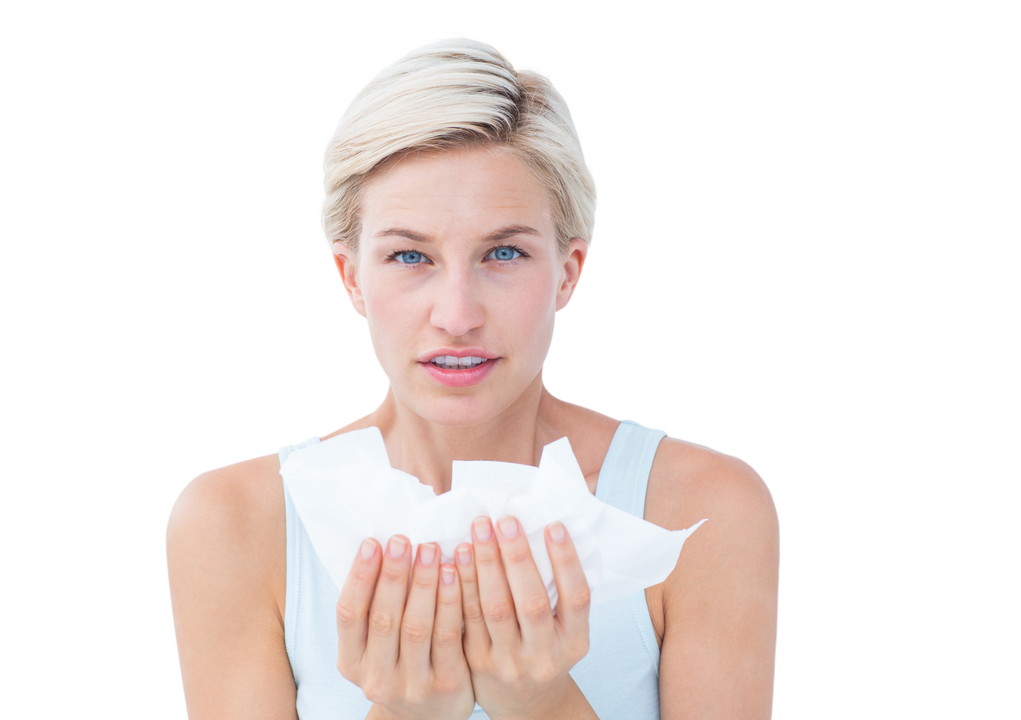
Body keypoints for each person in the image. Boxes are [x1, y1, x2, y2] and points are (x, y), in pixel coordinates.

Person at [163, 25, 783, 720]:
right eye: (409, 257)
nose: (456, 316)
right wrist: (406, 714)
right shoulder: (232, 522)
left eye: (504, 254)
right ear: (350, 277)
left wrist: (544, 702)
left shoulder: (706, 508)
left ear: (568, 273)